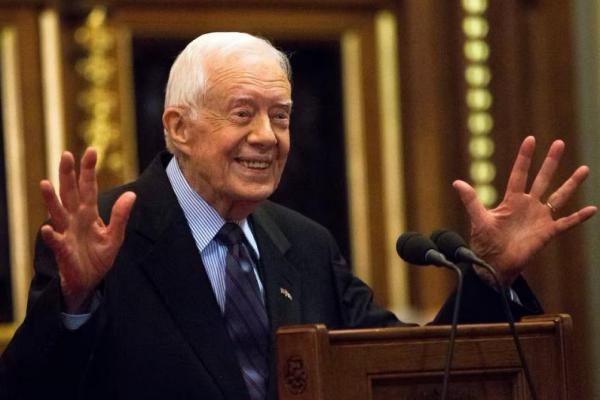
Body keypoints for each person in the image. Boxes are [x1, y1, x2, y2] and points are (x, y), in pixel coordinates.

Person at [0, 32, 596, 400]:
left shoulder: (303, 243)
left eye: (280, 116)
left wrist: (490, 275)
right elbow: (29, 390)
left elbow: (411, 372)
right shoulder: (106, 234)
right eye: (243, 114)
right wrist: (74, 305)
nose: (267, 137)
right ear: (178, 127)